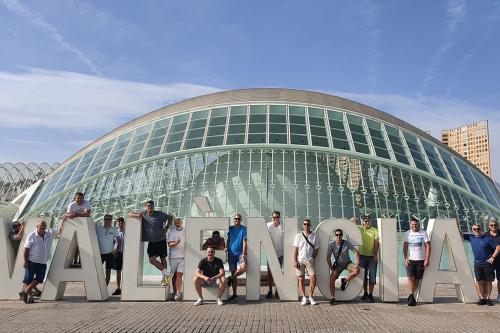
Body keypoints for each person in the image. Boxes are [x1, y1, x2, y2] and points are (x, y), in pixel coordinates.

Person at [128, 200, 173, 286]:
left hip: (161, 240)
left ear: (153, 207)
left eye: (151, 206)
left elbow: (170, 218)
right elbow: (129, 214)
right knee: (152, 260)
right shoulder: (143, 214)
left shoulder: (159, 214)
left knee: (163, 260)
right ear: (146, 207)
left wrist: (166, 228)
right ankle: (168, 274)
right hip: (152, 242)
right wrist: (137, 215)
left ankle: (164, 280)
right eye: (148, 206)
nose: (150, 207)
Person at [21, 219, 66, 303]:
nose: (43, 226)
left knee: (39, 278)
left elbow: (60, 230)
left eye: (44, 225)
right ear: (37, 226)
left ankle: (25, 292)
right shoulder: (32, 236)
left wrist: (64, 220)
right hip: (32, 262)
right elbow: (26, 249)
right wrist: (25, 262)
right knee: (28, 280)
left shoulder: (50, 233)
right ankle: (30, 296)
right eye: (41, 225)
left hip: (42, 262)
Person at [468, 223, 500, 306]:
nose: (476, 230)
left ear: (481, 229)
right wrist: (456, 222)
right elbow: (459, 234)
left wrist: (493, 257)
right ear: (472, 230)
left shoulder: (487, 238)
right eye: (474, 229)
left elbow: (497, 247)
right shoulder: (470, 237)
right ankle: (482, 298)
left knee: (489, 281)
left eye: (478, 229)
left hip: (487, 264)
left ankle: (488, 299)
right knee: (478, 281)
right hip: (477, 263)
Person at [326, 228, 360, 305]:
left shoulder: (346, 243)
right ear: (335, 236)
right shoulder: (331, 245)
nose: (338, 236)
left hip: (348, 263)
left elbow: (356, 253)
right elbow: (328, 258)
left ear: (342, 235)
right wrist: (332, 269)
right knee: (332, 279)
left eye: (340, 235)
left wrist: (357, 264)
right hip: (339, 265)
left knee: (357, 271)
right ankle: (332, 298)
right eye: (337, 235)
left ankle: (344, 281)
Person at [403, 216, 431, 306]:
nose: (414, 226)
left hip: (421, 260)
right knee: (410, 277)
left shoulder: (423, 233)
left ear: (418, 224)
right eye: (412, 224)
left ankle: (411, 295)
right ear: (410, 225)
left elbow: (428, 246)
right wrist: (405, 258)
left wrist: (427, 259)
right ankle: (412, 296)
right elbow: (405, 247)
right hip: (411, 260)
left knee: (417, 280)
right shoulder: (407, 233)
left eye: (416, 224)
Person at [292, 218, 320, 305]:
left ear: (310, 225)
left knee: (313, 278)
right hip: (300, 260)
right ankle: (304, 297)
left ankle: (310, 296)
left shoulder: (315, 235)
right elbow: (295, 249)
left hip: (309, 261)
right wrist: (294, 260)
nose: (306, 226)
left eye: (308, 224)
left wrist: (313, 258)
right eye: (305, 224)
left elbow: (316, 249)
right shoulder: (299, 236)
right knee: (301, 279)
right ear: (303, 225)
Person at [354, 214, 379, 302]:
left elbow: (376, 243)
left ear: (370, 221)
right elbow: (351, 225)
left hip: (372, 257)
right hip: (362, 256)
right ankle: (365, 293)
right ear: (363, 222)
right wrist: (352, 220)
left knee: (372, 276)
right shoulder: (360, 228)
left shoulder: (375, 230)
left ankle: (371, 294)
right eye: (365, 221)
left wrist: (375, 254)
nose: (367, 222)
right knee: (364, 277)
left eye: (368, 221)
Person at [64, 192, 91, 267]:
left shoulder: (86, 203)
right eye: (78, 198)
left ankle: (81, 260)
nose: (80, 200)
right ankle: (75, 260)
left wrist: (75, 214)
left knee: (82, 245)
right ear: (75, 198)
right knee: (75, 245)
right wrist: (69, 215)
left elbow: (88, 214)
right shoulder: (71, 205)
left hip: (84, 226)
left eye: (81, 198)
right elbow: (67, 215)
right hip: (74, 226)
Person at [226, 213, 247, 301]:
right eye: (236, 219)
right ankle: (234, 294)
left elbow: (245, 242)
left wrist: (244, 254)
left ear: (241, 220)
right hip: (231, 254)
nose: (237, 220)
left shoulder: (244, 229)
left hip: (240, 254)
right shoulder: (230, 229)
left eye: (239, 219)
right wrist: (226, 247)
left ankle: (230, 278)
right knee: (233, 271)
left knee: (244, 267)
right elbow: (228, 239)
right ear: (233, 220)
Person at [95, 214, 117, 286]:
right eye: (106, 219)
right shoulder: (98, 228)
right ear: (104, 220)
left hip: (110, 253)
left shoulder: (114, 229)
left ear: (111, 220)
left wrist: (115, 249)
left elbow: (118, 240)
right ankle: (97, 287)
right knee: (97, 271)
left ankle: (105, 289)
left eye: (109, 219)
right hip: (100, 253)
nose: (107, 221)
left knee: (108, 271)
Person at [266, 210, 283, 299]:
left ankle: (277, 291)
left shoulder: (283, 227)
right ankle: (270, 291)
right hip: (271, 253)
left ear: (279, 217)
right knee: (270, 273)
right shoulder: (268, 226)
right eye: (274, 217)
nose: (275, 219)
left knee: (279, 273)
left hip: (281, 254)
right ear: (272, 217)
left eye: (277, 217)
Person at [167, 217, 185, 301]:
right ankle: (174, 291)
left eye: (179, 222)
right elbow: (170, 244)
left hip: (182, 257)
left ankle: (178, 292)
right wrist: (177, 243)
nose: (177, 223)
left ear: (181, 222)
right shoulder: (171, 232)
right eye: (176, 222)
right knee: (173, 275)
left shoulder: (185, 231)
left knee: (179, 274)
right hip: (173, 257)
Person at [484, 217, 499, 303]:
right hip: (489, 260)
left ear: (498, 225)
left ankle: (499, 295)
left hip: (499, 260)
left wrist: (493, 256)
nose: (493, 226)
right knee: (488, 279)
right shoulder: (485, 235)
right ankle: (486, 297)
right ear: (489, 226)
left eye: (495, 225)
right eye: (491, 225)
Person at [112, 217, 124, 296]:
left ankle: (126, 287)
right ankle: (118, 288)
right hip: (118, 253)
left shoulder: (127, 231)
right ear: (117, 223)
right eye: (118, 221)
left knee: (126, 271)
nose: (120, 223)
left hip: (126, 253)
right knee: (118, 271)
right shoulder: (114, 232)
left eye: (121, 221)